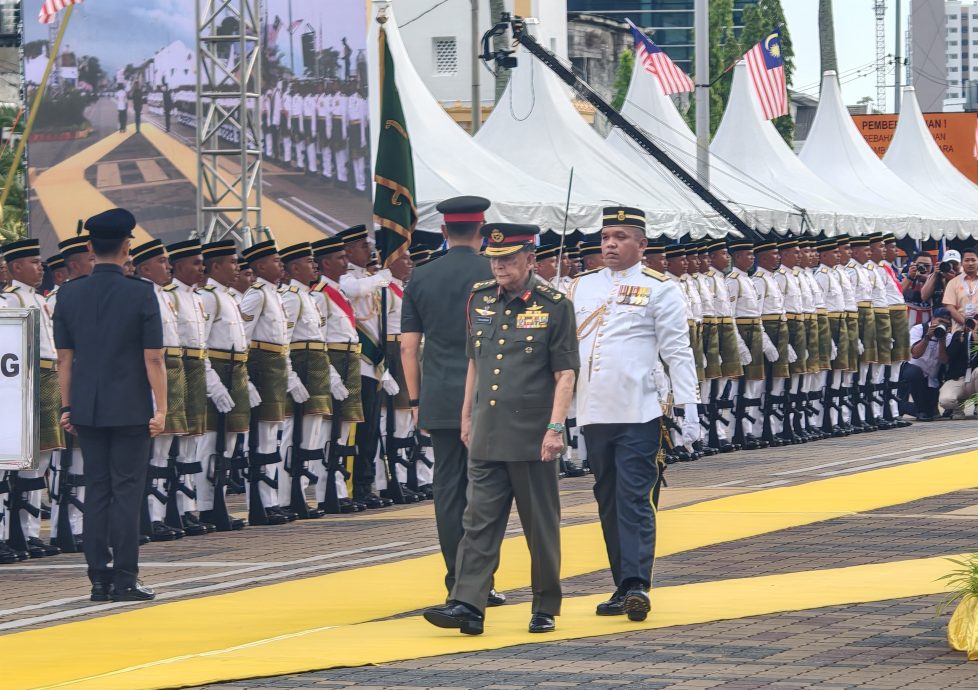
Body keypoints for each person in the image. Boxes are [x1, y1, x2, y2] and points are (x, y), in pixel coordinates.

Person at [422, 222, 578, 636]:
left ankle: (545, 603)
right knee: (478, 522)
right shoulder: (480, 298)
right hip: (487, 430)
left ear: (530, 259)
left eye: (508, 259)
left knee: (539, 525)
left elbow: (565, 373)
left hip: (531, 434)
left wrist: (555, 427)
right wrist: (466, 416)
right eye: (494, 260)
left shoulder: (554, 304)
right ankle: (467, 604)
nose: (499, 267)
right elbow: (474, 361)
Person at [570, 206, 698, 623]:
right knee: (607, 497)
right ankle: (621, 583)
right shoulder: (579, 287)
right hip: (593, 409)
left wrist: (689, 407)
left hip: (639, 409)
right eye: (606, 236)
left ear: (641, 245)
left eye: (621, 236)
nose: (610, 243)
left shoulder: (660, 288)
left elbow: (676, 350)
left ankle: (637, 583)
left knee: (635, 495)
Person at [401, 196, 510, 606]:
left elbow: (409, 348)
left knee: (448, 489)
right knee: (487, 490)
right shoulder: (495, 273)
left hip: (441, 396)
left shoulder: (421, 277)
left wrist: (415, 400)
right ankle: (482, 580)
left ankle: (455, 579)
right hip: (491, 394)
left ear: (444, 232)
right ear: (482, 233)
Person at [53, 208, 166, 602]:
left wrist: (67, 407)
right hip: (131, 407)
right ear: (126, 246)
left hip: (87, 406)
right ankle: (125, 579)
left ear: (89, 247)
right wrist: (161, 409)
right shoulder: (141, 292)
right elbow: (154, 358)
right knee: (127, 491)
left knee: (96, 491)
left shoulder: (68, 293)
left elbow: (64, 359)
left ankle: (98, 580)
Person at [1, 239, 64, 559]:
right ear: (15, 268)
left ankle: (27, 532)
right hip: (23, 378)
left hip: (47, 377)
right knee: (14, 459)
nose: (41, 267)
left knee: (39, 459)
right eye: (33, 262)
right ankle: (10, 531)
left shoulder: (39, 299)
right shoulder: (10, 300)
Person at [131, 239, 187, 542]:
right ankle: (146, 515)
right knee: (149, 452)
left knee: (164, 452)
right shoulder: (141, 295)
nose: (168, 266)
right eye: (162, 262)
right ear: (145, 267)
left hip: (168, 371)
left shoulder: (164, 295)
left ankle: (158, 513)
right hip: (150, 374)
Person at [239, 240, 297, 526]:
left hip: (276, 367)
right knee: (262, 439)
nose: (280, 265)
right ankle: (260, 503)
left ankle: (271, 500)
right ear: (260, 266)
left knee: (272, 436)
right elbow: (243, 338)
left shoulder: (275, 294)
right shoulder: (257, 295)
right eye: (274, 261)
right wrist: (245, 378)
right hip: (261, 367)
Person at [195, 240, 253, 530]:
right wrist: (213, 384)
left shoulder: (229, 297)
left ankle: (217, 501)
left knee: (228, 442)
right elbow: (200, 345)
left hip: (234, 371)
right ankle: (206, 506)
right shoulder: (208, 297)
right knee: (210, 444)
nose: (237, 268)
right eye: (231, 262)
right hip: (217, 373)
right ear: (215, 266)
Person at [900, 309, 951, 421]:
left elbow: (944, 360)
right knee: (914, 372)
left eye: (946, 324)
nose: (942, 325)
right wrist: (928, 336)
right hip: (913, 375)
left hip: (931, 379)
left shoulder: (947, 336)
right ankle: (918, 410)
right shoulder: (918, 329)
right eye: (940, 321)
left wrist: (941, 340)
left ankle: (903, 406)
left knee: (930, 412)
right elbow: (915, 354)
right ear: (932, 319)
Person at [938, 313, 978, 417]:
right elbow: (946, 358)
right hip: (958, 379)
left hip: (974, 378)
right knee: (945, 400)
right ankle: (958, 409)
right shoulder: (959, 336)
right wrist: (943, 339)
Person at [943, 247, 978, 334]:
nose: (970, 263)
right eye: (967, 260)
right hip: (960, 331)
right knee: (966, 347)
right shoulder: (953, 283)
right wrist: (966, 324)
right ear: (962, 263)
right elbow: (950, 307)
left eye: (973, 260)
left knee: (974, 348)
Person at [902, 251, 936, 327]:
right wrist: (910, 277)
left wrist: (928, 279)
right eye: (920, 265)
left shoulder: (935, 279)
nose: (923, 268)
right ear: (913, 264)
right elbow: (897, 294)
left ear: (932, 267)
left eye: (927, 266)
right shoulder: (905, 276)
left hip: (927, 324)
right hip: (906, 323)